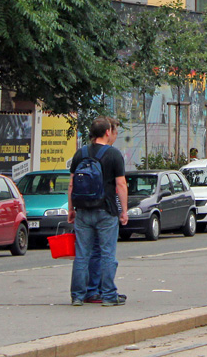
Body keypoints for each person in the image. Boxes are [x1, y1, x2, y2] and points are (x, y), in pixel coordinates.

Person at [69, 117, 128, 307]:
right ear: (107, 132)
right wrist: (124, 211)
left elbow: (71, 184)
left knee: (82, 255)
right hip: (106, 210)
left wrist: (71, 209)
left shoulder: (80, 154)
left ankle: (78, 295)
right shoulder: (114, 155)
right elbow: (121, 184)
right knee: (107, 254)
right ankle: (109, 295)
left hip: (83, 211)